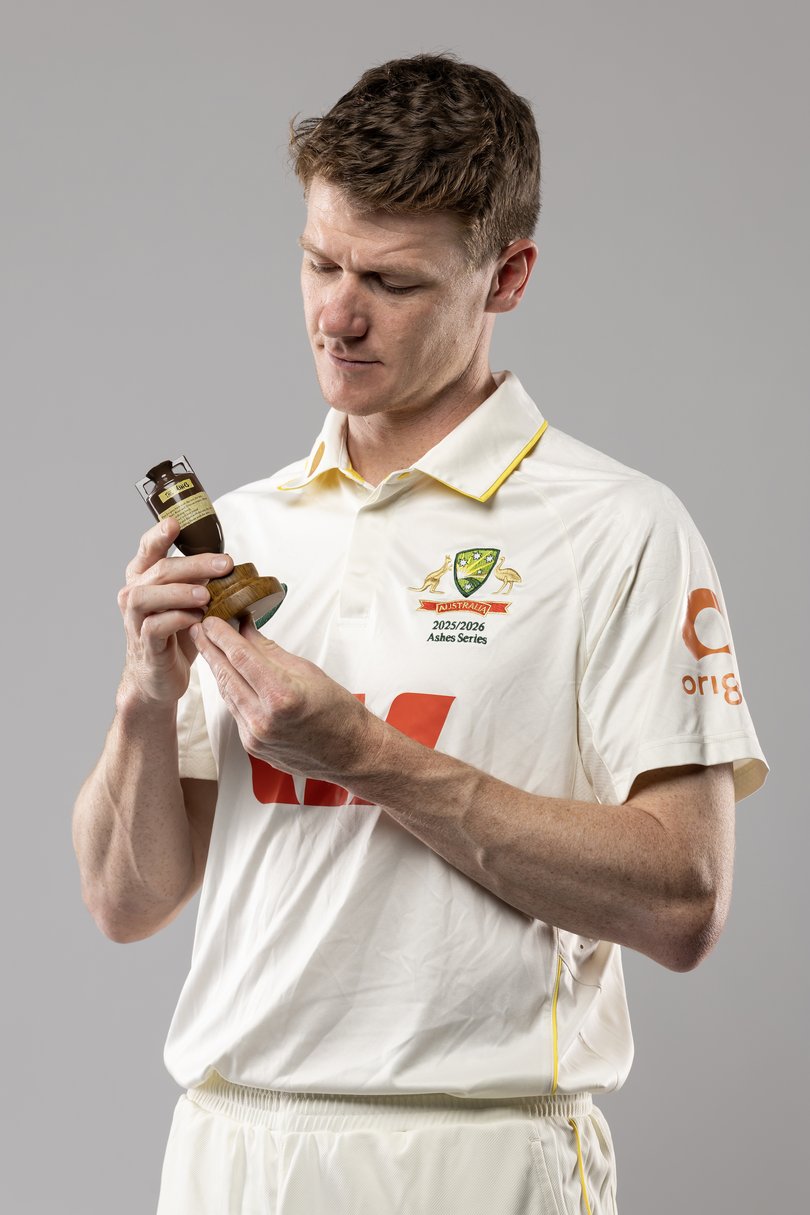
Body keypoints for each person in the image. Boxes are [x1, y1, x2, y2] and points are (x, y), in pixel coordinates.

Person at [72, 53, 768, 1215]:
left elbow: (683, 899)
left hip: (479, 1155)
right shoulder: (240, 532)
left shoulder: (620, 530)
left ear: (508, 276)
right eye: (319, 262)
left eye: (392, 283)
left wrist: (364, 755)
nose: (337, 315)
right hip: (230, 1152)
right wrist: (144, 696)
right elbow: (126, 903)